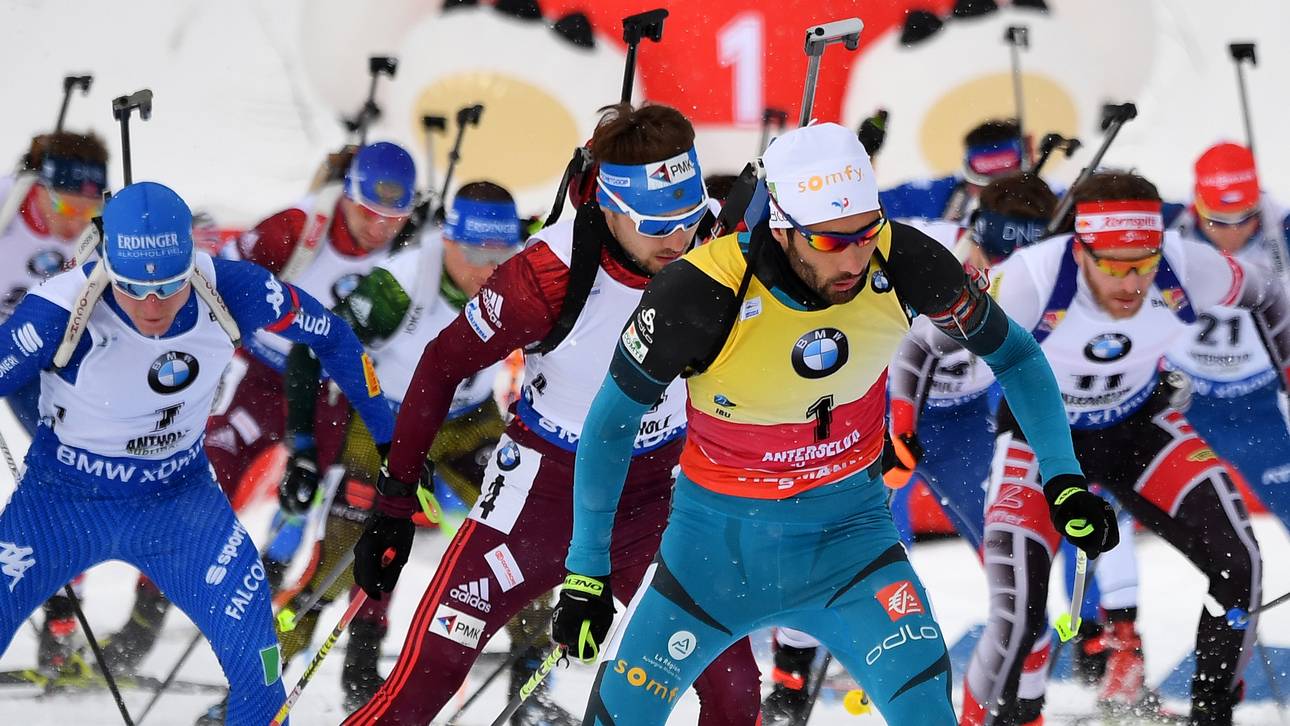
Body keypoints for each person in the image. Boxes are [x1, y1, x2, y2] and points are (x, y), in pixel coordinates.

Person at [552, 122, 1117, 726]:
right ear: (781, 225)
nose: (852, 258)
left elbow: (1018, 356)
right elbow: (611, 425)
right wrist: (586, 573)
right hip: (712, 560)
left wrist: (1063, 481)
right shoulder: (697, 292)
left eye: (864, 233)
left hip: (851, 549)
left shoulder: (903, 258)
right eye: (828, 242)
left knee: (929, 714)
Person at [342, 102, 762, 725]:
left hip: (656, 495)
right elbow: (439, 364)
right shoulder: (547, 274)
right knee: (426, 681)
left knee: (733, 689)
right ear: (614, 208)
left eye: (689, 216)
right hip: (543, 490)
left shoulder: (715, 245)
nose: (678, 241)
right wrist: (395, 504)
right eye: (656, 224)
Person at [0, 181, 395, 725]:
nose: (153, 304)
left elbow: (333, 337)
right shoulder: (58, 309)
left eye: (169, 284)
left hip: (179, 503)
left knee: (259, 668)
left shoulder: (232, 287)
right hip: (61, 503)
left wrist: (390, 437)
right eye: (134, 288)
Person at [949, 171, 1284, 725]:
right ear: (1082, 250)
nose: (1132, 282)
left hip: (1134, 425)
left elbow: (1272, 294)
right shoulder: (1034, 274)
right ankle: (1014, 713)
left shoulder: (1185, 263)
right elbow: (924, 340)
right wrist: (897, 430)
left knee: (1239, 560)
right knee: (1019, 612)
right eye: (1113, 265)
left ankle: (1206, 707)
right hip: (1040, 436)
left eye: (1145, 263)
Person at [101, 141, 417, 675]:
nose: (380, 228)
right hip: (263, 380)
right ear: (348, 196)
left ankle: (326, 644)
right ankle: (142, 624)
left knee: (353, 504)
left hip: (334, 393)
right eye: (368, 212)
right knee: (203, 481)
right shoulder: (299, 227)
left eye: (394, 217)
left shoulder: (407, 250)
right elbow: (212, 282)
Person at [273, 182, 552, 716]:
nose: (487, 270)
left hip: (469, 418)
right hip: (390, 423)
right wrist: (303, 445)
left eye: (501, 255)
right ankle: (257, 686)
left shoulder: (519, 276)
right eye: (474, 253)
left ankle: (531, 696)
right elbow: (313, 349)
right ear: (446, 239)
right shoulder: (395, 287)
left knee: (525, 545)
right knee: (338, 565)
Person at [0, 130, 109, 671]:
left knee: (74, 476)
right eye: (66, 203)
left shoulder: (102, 233)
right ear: (39, 189)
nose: (75, 220)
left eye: (89, 207)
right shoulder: (5, 209)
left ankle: (63, 618)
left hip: (52, 368)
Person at [1165, 142, 1290, 527]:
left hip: (1258, 405)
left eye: (1244, 218)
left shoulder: (1284, 231)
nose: (1232, 233)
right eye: (1218, 220)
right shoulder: (1166, 226)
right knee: (1108, 512)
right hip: (1184, 399)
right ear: (1197, 206)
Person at [879, 118, 1029, 223]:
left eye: (1007, 190)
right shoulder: (936, 196)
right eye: (981, 186)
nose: (996, 200)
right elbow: (867, 208)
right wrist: (865, 156)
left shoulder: (1048, 204)